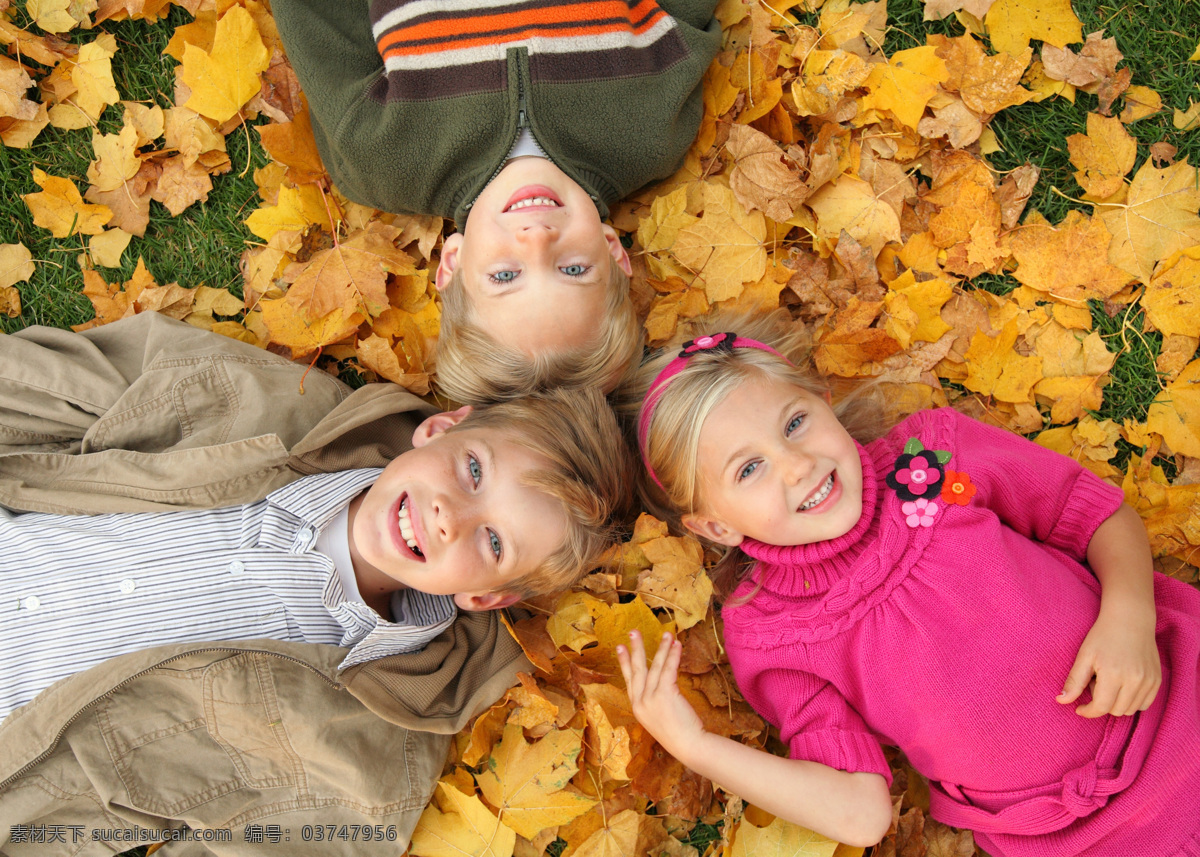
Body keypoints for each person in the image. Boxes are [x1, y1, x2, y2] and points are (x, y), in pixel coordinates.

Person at [614, 310, 1200, 854]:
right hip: (1078, 833)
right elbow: (860, 816)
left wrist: (1129, 616)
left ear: (822, 400)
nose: (797, 465)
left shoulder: (933, 466)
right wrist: (695, 747)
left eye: (795, 423)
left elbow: (1090, 511)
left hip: (1178, 693)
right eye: (749, 468)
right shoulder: (774, 637)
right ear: (715, 524)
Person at [0, 315, 634, 722]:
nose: (448, 517)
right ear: (441, 428)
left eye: (493, 540)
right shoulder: (275, 412)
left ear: (484, 596)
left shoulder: (364, 711)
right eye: (472, 471)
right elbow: (73, 385)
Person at [270, 0, 722, 403]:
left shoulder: (381, 158)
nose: (537, 241)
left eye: (505, 275)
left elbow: (320, 22)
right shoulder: (651, 130)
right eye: (573, 270)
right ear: (613, 251)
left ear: (453, 264)